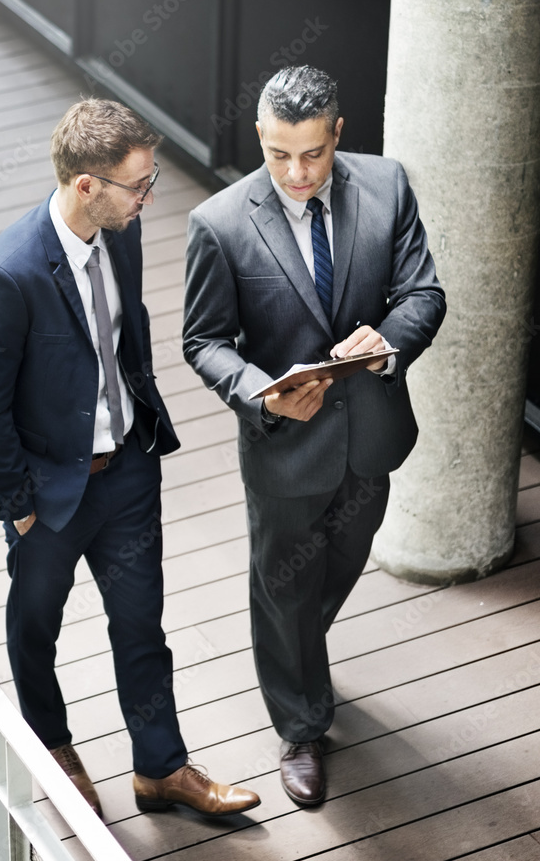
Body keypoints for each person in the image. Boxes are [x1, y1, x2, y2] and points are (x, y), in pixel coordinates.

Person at [0, 98, 259, 819]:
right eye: (139, 185)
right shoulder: (5, 278)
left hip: (126, 472)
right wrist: (21, 509)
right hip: (50, 496)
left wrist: (141, 438)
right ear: (87, 185)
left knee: (142, 629)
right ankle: (53, 751)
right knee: (36, 629)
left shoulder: (120, 232)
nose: (149, 198)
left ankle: (161, 769)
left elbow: (127, 339)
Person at [183, 66, 446, 807]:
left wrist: (387, 339)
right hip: (284, 448)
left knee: (334, 568)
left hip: (371, 435)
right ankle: (301, 725)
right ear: (260, 138)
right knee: (284, 583)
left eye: (312, 154)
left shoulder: (388, 186)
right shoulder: (221, 224)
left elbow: (424, 292)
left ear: (338, 133)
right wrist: (260, 398)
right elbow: (205, 341)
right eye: (277, 155)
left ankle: (293, 648)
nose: (296, 174)